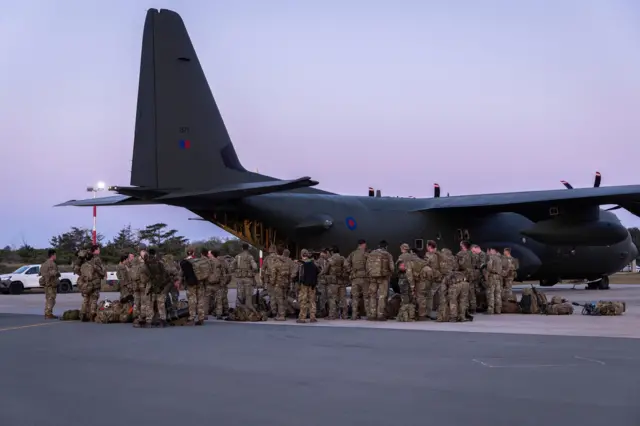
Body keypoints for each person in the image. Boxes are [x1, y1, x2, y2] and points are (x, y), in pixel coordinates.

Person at [365, 240, 394, 321]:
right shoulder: (388, 254)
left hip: (372, 278)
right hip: (383, 278)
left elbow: (367, 266)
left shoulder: (371, 254)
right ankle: (380, 315)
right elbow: (392, 268)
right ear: (386, 247)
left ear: (378, 246)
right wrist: (390, 274)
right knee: (382, 296)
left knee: (372, 296)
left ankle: (372, 315)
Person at [344, 239, 368, 319]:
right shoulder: (365, 254)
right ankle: (368, 314)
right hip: (364, 278)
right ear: (363, 244)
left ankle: (354, 315)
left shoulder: (353, 254)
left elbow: (346, 263)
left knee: (355, 297)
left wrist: (350, 271)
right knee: (366, 297)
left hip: (355, 278)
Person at [297, 249, 319, 323]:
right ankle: (312, 317)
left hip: (304, 284)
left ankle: (302, 318)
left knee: (303, 300)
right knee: (312, 300)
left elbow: (298, 274)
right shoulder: (313, 263)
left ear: (301, 254)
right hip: (312, 285)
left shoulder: (301, 264)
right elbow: (318, 272)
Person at [40, 249, 60, 319]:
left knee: (48, 298)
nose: (56, 256)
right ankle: (48, 313)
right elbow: (54, 273)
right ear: (53, 255)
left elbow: (42, 273)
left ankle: (47, 312)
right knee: (52, 299)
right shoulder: (52, 264)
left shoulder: (44, 264)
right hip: (51, 283)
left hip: (45, 283)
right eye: (55, 255)